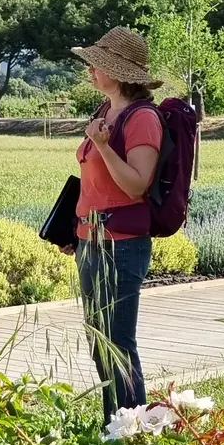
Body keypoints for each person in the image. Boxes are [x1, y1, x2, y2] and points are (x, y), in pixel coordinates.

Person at [70, 27, 165, 422]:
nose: (91, 70)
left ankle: (132, 430)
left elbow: (136, 184)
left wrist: (104, 146)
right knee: (100, 340)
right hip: (90, 240)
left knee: (118, 343)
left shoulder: (142, 118)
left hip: (121, 245)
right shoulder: (105, 111)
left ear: (119, 71)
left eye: (98, 64)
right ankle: (116, 425)